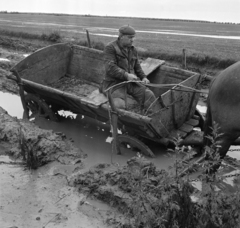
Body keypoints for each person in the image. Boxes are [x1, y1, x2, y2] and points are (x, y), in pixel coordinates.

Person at [99, 25, 160, 114]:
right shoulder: (110, 48)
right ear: (121, 36)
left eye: (133, 37)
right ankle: (121, 123)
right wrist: (126, 75)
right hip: (114, 83)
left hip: (130, 82)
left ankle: (151, 120)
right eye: (130, 37)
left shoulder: (132, 49)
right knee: (119, 105)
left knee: (149, 96)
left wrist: (143, 77)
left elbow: (137, 66)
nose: (132, 40)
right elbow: (110, 67)